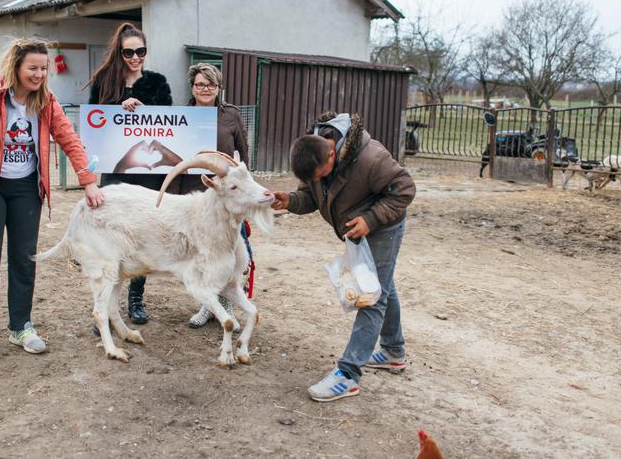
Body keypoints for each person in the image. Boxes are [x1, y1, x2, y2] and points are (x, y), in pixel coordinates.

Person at [0, 38, 104, 364]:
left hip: (25, 188)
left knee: (24, 259)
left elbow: (69, 140)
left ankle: (21, 326)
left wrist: (88, 182)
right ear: (16, 67)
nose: (39, 74)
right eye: (32, 68)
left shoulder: (46, 101)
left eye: (43, 68)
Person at [271, 111, 416, 402]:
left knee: (372, 295)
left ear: (332, 155)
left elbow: (405, 190)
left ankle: (349, 374)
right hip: (359, 230)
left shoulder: (371, 158)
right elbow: (311, 197)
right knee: (382, 286)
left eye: (322, 173)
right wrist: (291, 201)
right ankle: (393, 351)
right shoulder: (314, 152)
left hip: (383, 226)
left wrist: (371, 220)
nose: (320, 179)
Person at [87, 22, 173, 324]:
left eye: (141, 51)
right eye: (129, 52)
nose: (135, 57)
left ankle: (136, 299)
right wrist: (116, 107)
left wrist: (144, 108)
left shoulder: (158, 83)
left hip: (150, 172)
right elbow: (94, 122)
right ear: (119, 53)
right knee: (112, 239)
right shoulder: (103, 82)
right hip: (117, 170)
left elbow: (170, 123)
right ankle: (105, 305)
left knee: (142, 236)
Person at [176, 63, 253, 328]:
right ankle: (207, 304)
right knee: (204, 252)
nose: (205, 89)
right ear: (192, 87)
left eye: (210, 84)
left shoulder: (230, 115)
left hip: (227, 196)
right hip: (195, 193)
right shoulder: (181, 115)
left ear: (218, 88)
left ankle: (227, 301)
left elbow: (243, 152)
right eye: (200, 84)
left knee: (230, 250)